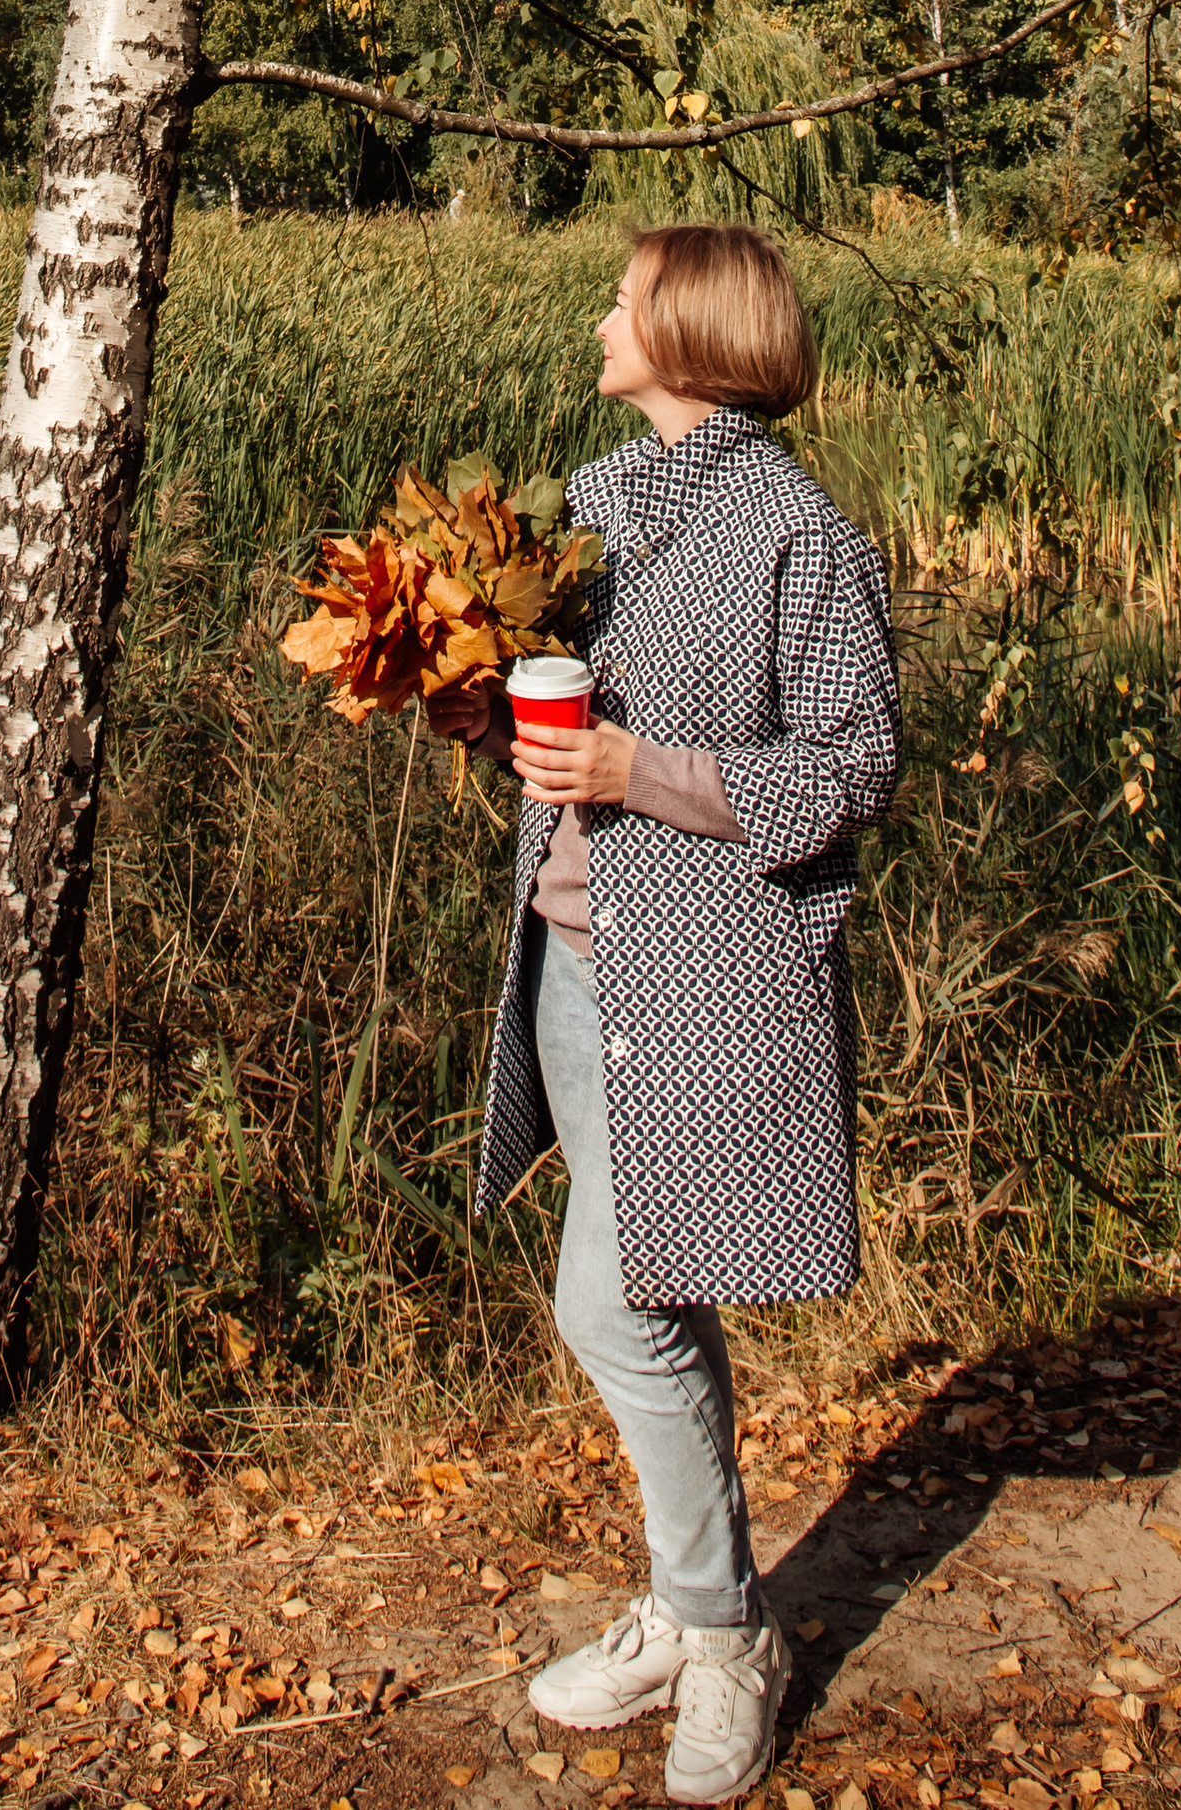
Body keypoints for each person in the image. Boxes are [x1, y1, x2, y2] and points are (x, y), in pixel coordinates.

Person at [430, 222, 900, 1806]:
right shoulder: (595, 506)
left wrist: (648, 776)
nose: (599, 317)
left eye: (622, 299)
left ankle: (721, 1632)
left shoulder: (798, 534)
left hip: (705, 982)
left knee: (618, 1303)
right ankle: (693, 1610)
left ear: (689, 333)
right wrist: (482, 705)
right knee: (641, 1292)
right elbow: (565, 722)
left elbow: (850, 768)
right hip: (570, 957)